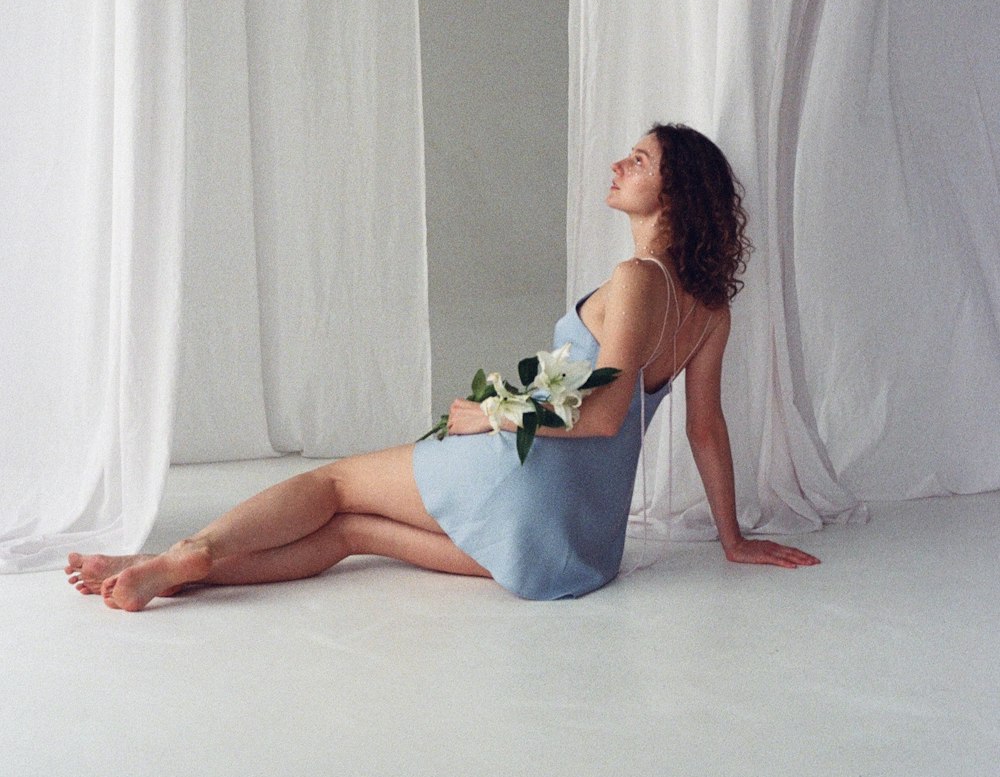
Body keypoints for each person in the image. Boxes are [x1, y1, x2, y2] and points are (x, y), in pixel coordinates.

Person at [65, 123, 818, 610]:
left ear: (675, 191)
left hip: (528, 482)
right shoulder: (711, 310)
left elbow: (605, 411)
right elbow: (706, 428)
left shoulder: (640, 279)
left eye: (642, 159)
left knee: (333, 482)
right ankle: (164, 568)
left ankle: (183, 553)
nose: (621, 162)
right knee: (348, 532)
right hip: (576, 549)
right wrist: (733, 538)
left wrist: (488, 413)